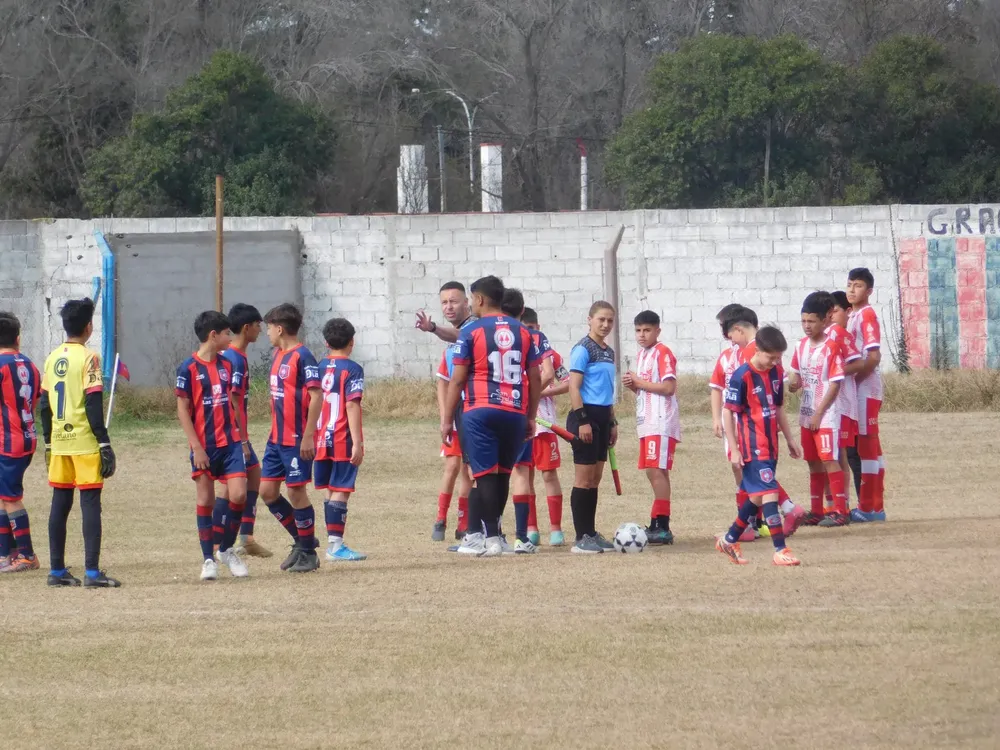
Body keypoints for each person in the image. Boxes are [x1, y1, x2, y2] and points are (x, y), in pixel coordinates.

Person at [442, 276, 542, 557]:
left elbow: (458, 379)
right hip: (514, 412)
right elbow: (534, 376)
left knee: (484, 475)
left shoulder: (471, 332)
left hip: (480, 410)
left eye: (472, 298)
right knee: (503, 475)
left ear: (481, 300)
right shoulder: (523, 332)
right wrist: (530, 415)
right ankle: (496, 537)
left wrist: (447, 419)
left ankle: (492, 538)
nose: (472, 304)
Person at [39, 298, 119, 587]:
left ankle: (57, 571)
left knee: (59, 504)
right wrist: (104, 442)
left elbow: (44, 407)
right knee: (89, 504)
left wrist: (49, 443)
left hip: (60, 442)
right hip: (84, 442)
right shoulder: (89, 357)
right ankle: (92, 573)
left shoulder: (51, 357)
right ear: (89, 326)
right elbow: (93, 402)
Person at [709, 305, 805, 539]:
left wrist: (732, 438)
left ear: (739, 329)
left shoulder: (755, 354)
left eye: (729, 333)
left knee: (753, 476)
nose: (729, 339)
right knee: (753, 478)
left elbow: (771, 395)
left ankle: (777, 523)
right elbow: (718, 386)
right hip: (758, 426)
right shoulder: (740, 354)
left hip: (751, 429)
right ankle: (747, 528)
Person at [176, 311, 250, 581]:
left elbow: (233, 404)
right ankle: (208, 559)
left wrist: (242, 439)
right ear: (213, 335)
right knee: (205, 500)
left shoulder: (228, 365)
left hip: (230, 444)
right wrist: (196, 447)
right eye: (227, 333)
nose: (231, 338)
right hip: (204, 446)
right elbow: (182, 409)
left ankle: (227, 549)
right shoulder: (188, 368)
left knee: (239, 495)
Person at [259, 303, 324, 572]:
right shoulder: (278, 355)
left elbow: (316, 396)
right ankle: (302, 540)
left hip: (297, 438)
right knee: (267, 492)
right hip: (276, 438)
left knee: (296, 492)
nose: (267, 334)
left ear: (280, 328)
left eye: (269, 329)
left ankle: (308, 553)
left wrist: (308, 435)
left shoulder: (303, 356)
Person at [788, 293, 848, 527]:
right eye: (804, 321)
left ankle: (841, 511)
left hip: (825, 416)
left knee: (829, 460)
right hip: (806, 413)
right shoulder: (800, 346)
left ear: (824, 321)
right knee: (812, 462)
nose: (806, 326)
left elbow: (835, 383)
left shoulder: (831, 347)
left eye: (811, 321)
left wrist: (819, 413)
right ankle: (817, 510)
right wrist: (794, 384)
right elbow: (797, 374)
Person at [217, 303, 272, 558]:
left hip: (232, 434)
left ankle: (244, 538)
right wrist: (243, 439)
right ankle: (221, 544)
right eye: (258, 326)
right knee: (230, 488)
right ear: (247, 327)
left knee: (250, 477)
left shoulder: (235, 355)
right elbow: (234, 400)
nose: (261, 330)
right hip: (231, 435)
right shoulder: (234, 358)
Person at [502, 292, 555, 554]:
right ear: (522, 310)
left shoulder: (484, 333)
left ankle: (487, 533)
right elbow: (548, 373)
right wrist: (530, 399)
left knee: (491, 473)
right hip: (520, 412)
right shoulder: (533, 338)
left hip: (491, 408)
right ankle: (523, 535)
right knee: (523, 471)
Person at [623, 310, 680, 545]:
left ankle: (662, 525)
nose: (642, 335)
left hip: (660, 419)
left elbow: (668, 388)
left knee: (656, 470)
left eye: (647, 330)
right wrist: (634, 387)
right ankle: (657, 521)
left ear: (657, 330)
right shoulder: (642, 355)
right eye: (638, 330)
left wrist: (639, 382)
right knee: (652, 470)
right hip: (647, 420)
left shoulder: (663, 352)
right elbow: (648, 388)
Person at [566, 301, 618, 554]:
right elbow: (573, 387)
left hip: (602, 417)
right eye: (601, 320)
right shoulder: (582, 349)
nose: (606, 325)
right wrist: (583, 420)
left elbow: (608, 390)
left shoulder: (609, 351)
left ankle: (591, 533)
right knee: (583, 479)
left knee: (595, 480)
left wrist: (612, 421)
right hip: (584, 417)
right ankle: (580, 536)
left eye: (610, 320)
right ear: (590, 320)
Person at [314, 317, 367, 562]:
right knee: (342, 489)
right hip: (341, 436)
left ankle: (332, 541)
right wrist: (358, 442)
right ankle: (335, 546)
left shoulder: (317, 367)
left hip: (320, 437)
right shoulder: (352, 369)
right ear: (352, 342)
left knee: (331, 488)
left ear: (326, 342)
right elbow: (352, 405)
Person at [430, 282, 476, 542]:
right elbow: (443, 380)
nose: (449, 306)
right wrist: (444, 414)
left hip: (473, 412)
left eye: (454, 301)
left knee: (469, 470)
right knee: (452, 466)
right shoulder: (450, 343)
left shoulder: (471, 332)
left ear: (467, 302)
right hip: (454, 414)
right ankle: (440, 519)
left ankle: (464, 522)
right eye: (444, 302)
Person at [522, 307, 569, 547]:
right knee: (525, 476)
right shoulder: (516, 354)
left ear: (538, 328)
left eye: (532, 328)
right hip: (523, 425)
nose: (529, 333)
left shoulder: (552, 356)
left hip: (545, 425)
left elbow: (568, 383)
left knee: (549, 474)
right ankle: (532, 528)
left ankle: (556, 529)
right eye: (524, 329)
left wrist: (543, 392)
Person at [0, 313, 41, 573]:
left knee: (11, 498)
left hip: (7, 442)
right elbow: (36, 399)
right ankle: (6, 553)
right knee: (4, 496)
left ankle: (27, 554)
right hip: (27, 438)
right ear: (18, 338)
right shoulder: (31, 365)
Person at [846, 268, 887, 522]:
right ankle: (873, 506)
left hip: (866, 390)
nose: (852, 289)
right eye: (850, 284)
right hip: (860, 390)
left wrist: (853, 380)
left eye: (858, 285)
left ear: (869, 291)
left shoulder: (867, 315)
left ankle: (870, 507)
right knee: (867, 447)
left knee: (868, 448)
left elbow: (873, 356)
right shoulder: (853, 315)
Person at [826, 291, 863, 518]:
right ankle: (831, 504)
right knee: (828, 455)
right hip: (827, 405)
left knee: (840, 454)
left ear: (846, 311)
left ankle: (844, 504)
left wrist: (832, 373)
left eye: (835, 311)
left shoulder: (840, 334)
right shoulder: (825, 334)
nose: (831, 316)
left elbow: (857, 363)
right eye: (828, 312)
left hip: (843, 405)